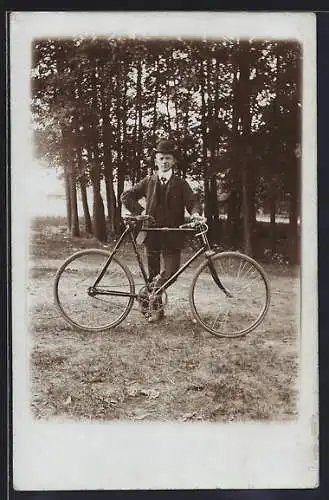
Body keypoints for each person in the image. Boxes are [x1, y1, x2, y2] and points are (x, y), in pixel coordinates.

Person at [121, 139, 204, 322]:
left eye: (168, 158)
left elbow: (192, 202)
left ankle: (144, 299)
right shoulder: (149, 181)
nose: (164, 161)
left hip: (172, 236)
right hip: (151, 235)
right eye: (161, 158)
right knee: (153, 273)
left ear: (173, 161)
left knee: (171, 272)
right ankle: (156, 310)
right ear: (156, 161)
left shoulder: (180, 183)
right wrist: (141, 213)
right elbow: (126, 196)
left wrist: (196, 214)